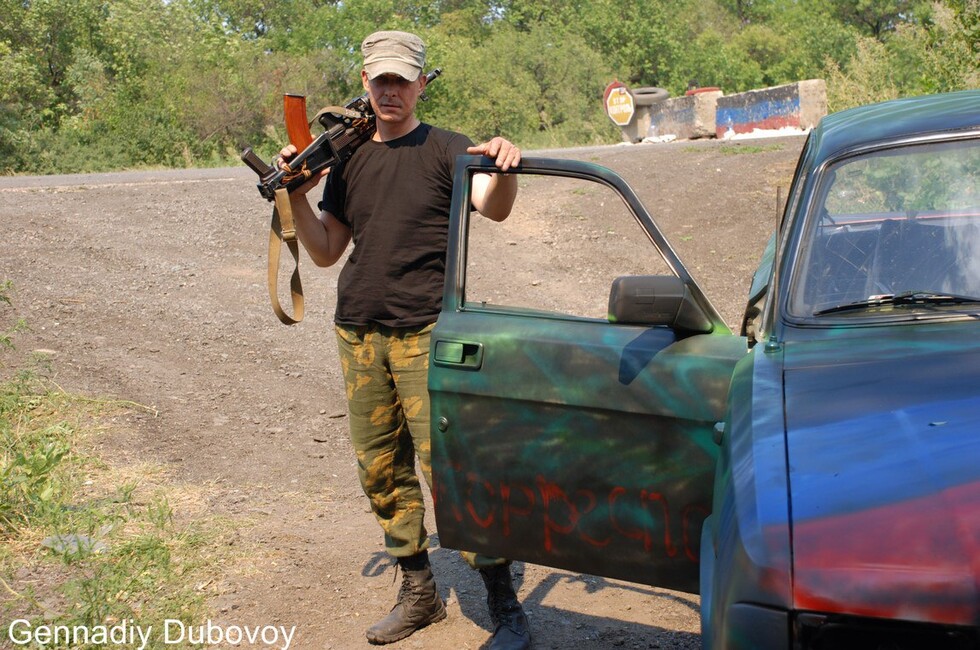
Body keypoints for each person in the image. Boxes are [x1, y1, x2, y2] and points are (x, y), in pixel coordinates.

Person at [277, 30, 530, 650]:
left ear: (421, 83)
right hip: (359, 329)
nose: (390, 91)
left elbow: (492, 207)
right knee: (380, 467)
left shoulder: (446, 149)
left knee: (452, 468)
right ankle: (418, 592)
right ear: (366, 83)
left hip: (427, 332)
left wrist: (502, 163)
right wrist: (294, 196)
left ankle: (501, 595)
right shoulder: (346, 156)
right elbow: (328, 250)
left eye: (401, 80)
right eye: (379, 80)